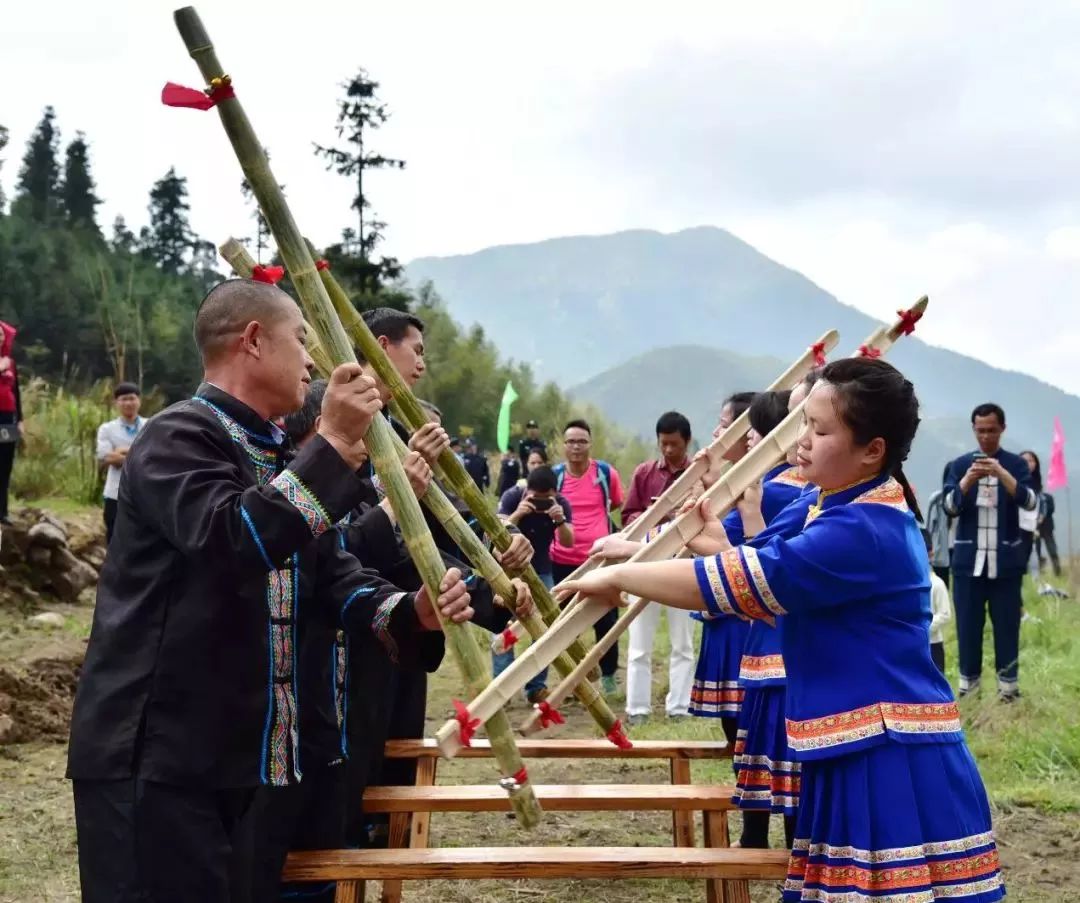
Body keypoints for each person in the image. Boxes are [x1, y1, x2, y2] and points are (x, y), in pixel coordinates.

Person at [65, 280, 475, 903]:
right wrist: (334, 442)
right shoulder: (178, 437)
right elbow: (236, 539)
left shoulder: (273, 456)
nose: (311, 361)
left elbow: (329, 575)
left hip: (236, 762)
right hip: (154, 758)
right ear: (254, 341)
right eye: (300, 341)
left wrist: (411, 610)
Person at [560, 358, 1005, 903]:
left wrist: (623, 575)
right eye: (803, 425)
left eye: (819, 430)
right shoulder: (823, 505)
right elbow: (741, 554)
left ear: (873, 450)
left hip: (888, 756)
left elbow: (741, 578)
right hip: (848, 745)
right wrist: (636, 554)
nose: (803, 441)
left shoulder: (864, 528)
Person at [944, 403, 1037, 701]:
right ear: (973, 430)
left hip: (1006, 563)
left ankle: (1008, 691)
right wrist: (969, 479)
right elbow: (949, 506)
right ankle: (969, 693)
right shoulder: (959, 465)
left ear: (1002, 430)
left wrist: (1001, 474)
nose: (985, 437)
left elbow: (1031, 502)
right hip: (968, 563)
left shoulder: (1016, 464)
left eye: (991, 431)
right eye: (980, 430)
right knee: (968, 628)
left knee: (1007, 627)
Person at [622, 411, 694, 722]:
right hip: (645, 562)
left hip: (683, 563)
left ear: (686, 442)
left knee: (683, 642)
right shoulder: (644, 473)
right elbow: (626, 518)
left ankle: (679, 707)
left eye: (674, 445)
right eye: (663, 444)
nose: (668, 450)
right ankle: (637, 709)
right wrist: (651, 515)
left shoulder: (697, 476)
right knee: (639, 643)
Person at [551, 418, 624, 695]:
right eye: (571, 441)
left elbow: (616, 503)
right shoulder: (556, 477)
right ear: (564, 446)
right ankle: (572, 681)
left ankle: (607, 678)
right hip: (561, 559)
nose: (576, 447)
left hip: (599, 559)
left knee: (606, 621)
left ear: (590, 444)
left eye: (581, 441)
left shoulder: (605, 473)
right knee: (565, 624)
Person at [495, 463, 574, 702]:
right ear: (527, 489)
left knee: (543, 631)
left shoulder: (561, 504)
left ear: (555, 493)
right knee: (501, 626)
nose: (540, 504)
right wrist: (519, 513)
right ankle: (502, 686)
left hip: (542, 570)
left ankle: (536, 687)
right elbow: (495, 529)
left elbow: (569, 542)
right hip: (508, 571)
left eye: (546, 500)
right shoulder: (512, 496)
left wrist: (559, 520)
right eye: (536, 499)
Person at [95, 382, 146, 544]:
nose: (128, 403)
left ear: (139, 401)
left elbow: (158, 456)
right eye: (124, 399)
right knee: (114, 541)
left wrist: (122, 451)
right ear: (116, 403)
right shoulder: (107, 429)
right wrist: (139, 454)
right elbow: (106, 457)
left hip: (146, 494)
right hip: (115, 494)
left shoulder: (151, 425)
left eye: (132, 398)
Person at [0, 319, 23, 526]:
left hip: (8, 418)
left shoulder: (11, 363)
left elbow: (17, 392)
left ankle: (3, 511)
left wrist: (20, 420)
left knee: (5, 464)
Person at [923, 528, 954, 674]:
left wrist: (923, 629)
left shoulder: (937, 584)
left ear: (930, 555)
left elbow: (945, 614)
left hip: (933, 645)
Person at [924, 463, 954, 587]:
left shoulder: (967, 498)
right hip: (941, 549)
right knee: (942, 586)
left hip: (959, 549)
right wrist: (929, 547)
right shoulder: (936, 499)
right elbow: (929, 525)